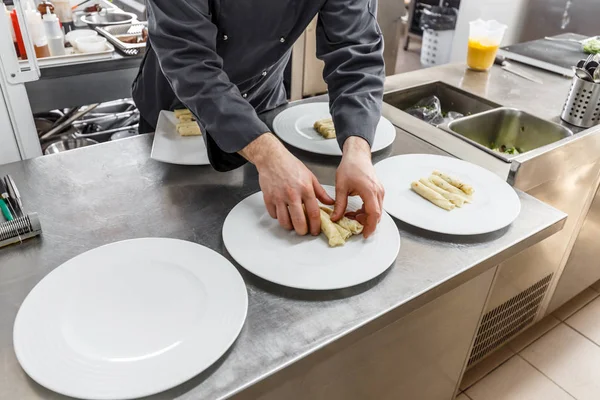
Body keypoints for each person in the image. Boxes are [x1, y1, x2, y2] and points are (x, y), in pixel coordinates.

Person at [132, 0, 386, 238]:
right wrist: (268, 154)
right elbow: (188, 58)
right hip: (176, 108)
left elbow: (356, 49)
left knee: (261, 236)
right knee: (179, 232)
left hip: (262, 103)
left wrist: (358, 149)